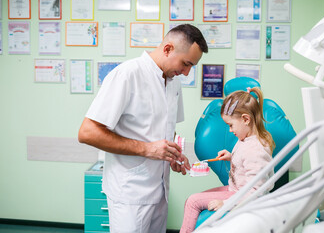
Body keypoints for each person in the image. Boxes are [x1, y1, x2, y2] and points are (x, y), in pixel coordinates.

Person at [78, 24, 208, 233]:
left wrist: (173, 153)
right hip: (130, 193)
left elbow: (165, 128)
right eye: (185, 64)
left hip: (160, 190)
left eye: (191, 66)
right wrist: (147, 149)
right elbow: (87, 133)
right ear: (167, 49)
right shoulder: (127, 75)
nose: (186, 72)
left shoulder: (173, 83)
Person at [180, 87, 275, 233]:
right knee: (192, 201)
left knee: (193, 202)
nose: (230, 130)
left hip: (239, 196)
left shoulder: (256, 149)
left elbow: (256, 191)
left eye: (231, 125)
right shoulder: (247, 139)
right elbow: (247, 163)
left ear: (245, 119)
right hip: (235, 190)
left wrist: (225, 204)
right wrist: (232, 156)